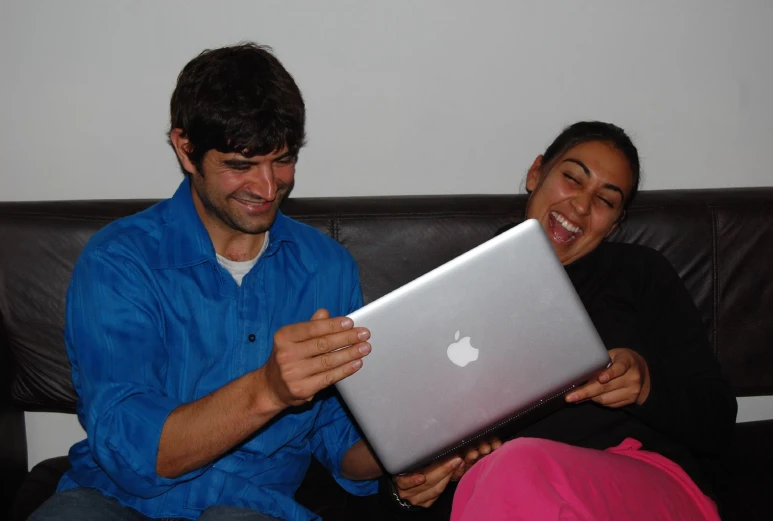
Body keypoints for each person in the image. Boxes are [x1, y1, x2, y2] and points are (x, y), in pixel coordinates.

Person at [28, 43, 490, 521]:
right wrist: (268, 389)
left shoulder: (326, 268)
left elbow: (337, 435)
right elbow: (134, 453)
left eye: (283, 159)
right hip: (115, 500)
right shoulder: (119, 261)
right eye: (240, 165)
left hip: (251, 508)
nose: (268, 188)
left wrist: (408, 454)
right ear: (186, 150)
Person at [449, 121, 737, 521]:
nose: (581, 206)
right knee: (493, 478)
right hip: (508, 494)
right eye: (572, 178)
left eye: (605, 200)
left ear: (615, 224)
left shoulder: (641, 274)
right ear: (536, 173)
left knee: (513, 467)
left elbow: (718, 421)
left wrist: (646, 385)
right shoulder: (457, 289)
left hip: (648, 483)